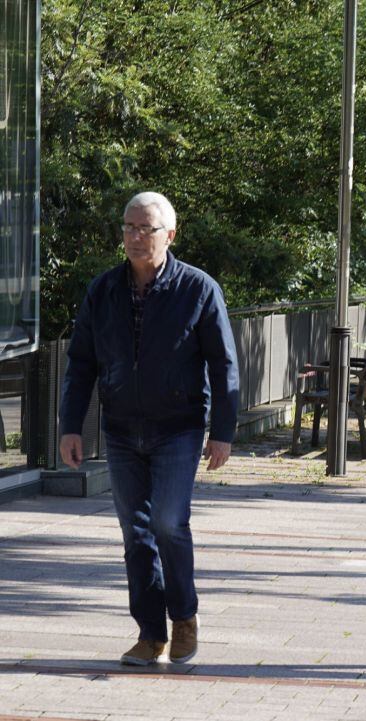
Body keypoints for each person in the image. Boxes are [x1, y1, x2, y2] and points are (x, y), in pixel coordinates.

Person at [59, 192, 239, 666]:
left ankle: (184, 617)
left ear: (170, 235)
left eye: (147, 229)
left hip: (178, 428)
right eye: (129, 227)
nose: (136, 237)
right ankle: (149, 633)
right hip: (120, 428)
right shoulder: (103, 290)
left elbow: (223, 364)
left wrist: (222, 430)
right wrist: (70, 426)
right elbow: (80, 363)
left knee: (166, 523)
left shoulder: (198, 290)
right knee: (134, 535)